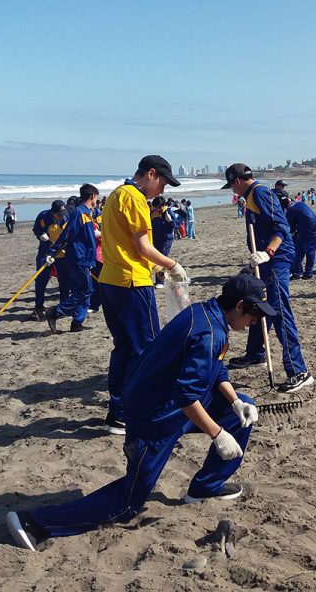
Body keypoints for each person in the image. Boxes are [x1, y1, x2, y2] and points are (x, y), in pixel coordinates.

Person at [5, 273, 270, 551]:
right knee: (128, 503)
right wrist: (217, 434)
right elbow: (186, 396)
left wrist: (234, 402)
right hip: (153, 416)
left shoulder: (206, 313)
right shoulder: (209, 333)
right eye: (254, 315)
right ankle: (33, 523)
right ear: (240, 306)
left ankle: (205, 487)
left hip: (172, 402)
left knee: (239, 411)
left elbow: (215, 367)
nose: (256, 322)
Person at [98, 155, 188, 434]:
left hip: (109, 280)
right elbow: (143, 247)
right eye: (163, 183)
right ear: (151, 174)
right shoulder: (135, 198)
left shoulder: (114, 195)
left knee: (124, 348)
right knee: (147, 349)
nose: (163, 190)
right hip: (131, 282)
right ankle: (139, 409)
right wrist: (172, 265)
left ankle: (118, 412)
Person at [222, 162, 313, 393]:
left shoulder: (260, 194)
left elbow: (281, 228)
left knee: (280, 309)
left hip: (277, 258)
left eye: (232, 186)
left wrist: (267, 252)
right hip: (265, 259)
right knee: (257, 302)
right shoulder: (251, 196)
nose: (232, 191)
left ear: (237, 181)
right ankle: (256, 353)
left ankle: (299, 370)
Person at [45, 185, 99, 333]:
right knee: (86, 290)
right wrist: (52, 251)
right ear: (92, 196)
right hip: (78, 257)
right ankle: (55, 312)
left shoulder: (87, 213)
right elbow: (67, 234)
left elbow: (85, 235)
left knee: (83, 290)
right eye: (97, 197)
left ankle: (77, 322)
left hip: (85, 257)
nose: (97, 200)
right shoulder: (79, 213)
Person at [32, 200, 70, 320]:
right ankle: (39, 306)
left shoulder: (66, 217)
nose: (61, 216)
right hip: (45, 252)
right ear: (53, 212)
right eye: (59, 214)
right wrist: (40, 235)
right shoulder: (43, 216)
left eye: (63, 213)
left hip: (62, 253)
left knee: (64, 281)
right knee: (41, 280)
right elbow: (36, 229)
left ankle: (63, 306)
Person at [280, 193, 316, 280]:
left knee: (299, 251)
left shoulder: (290, 210)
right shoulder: (299, 203)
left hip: (307, 228)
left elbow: (290, 229)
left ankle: (296, 273)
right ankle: (308, 273)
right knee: (311, 251)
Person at [150, 196, 176, 288]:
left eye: (159, 207)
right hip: (156, 240)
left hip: (166, 239)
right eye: (156, 207)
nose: (158, 209)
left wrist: (170, 221)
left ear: (163, 205)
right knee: (156, 259)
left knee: (161, 260)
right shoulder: (153, 214)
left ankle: (160, 282)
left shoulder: (168, 212)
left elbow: (176, 225)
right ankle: (163, 279)